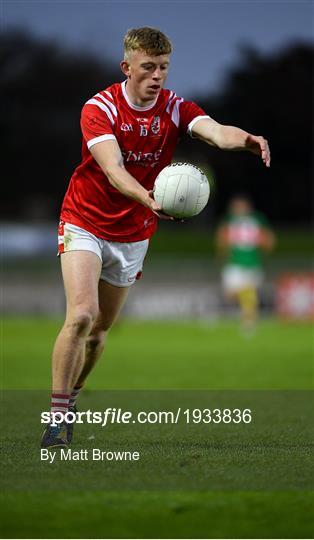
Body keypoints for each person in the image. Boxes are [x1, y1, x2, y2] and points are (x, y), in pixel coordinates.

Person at [41, 27, 271, 448]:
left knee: (98, 332)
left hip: (134, 233)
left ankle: (72, 398)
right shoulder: (100, 108)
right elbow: (112, 170)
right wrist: (148, 198)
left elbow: (216, 131)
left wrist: (246, 141)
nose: (157, 76)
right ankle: (56, 418)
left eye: (163, 67)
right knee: (81, 315)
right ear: (126, 67)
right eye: (148, 67)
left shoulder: (174, 107)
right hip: (85, 221)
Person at [215, 196, 275, 333]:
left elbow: (221, 239)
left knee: (245, 293)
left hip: (249, 263)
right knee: (232, 294)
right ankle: (248, 310)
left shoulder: (251, 219)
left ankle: (249, 321)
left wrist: (221, 254)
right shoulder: (248, 219)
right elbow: (270, 241)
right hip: (237, 263)